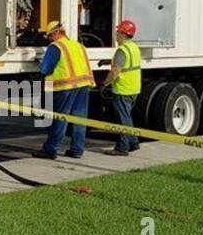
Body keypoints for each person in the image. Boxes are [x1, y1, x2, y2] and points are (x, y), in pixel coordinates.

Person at [32, 20, 94, 159]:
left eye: (49, 36)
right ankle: (77, 150)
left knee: (60, 118)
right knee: (79, 118)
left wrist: (40, 64)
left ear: (56, 33)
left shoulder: (56, 47)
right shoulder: (78, 45)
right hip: (83, 85)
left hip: (65, 87)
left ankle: (51, 149)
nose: (49, 39)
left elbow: (45, 69)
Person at [102, 18, 142, 156]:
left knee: (123, 119)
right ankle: (134, 143)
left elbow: (115, 71)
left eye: (118, 32)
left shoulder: (122, 50)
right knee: (127, 117)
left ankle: (122, 148)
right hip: (133, 88)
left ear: (123, 34)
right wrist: (108, 61)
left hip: (122, 89)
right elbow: (128, 64)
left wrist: (105, 83)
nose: (116, 34)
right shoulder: (134, 47)